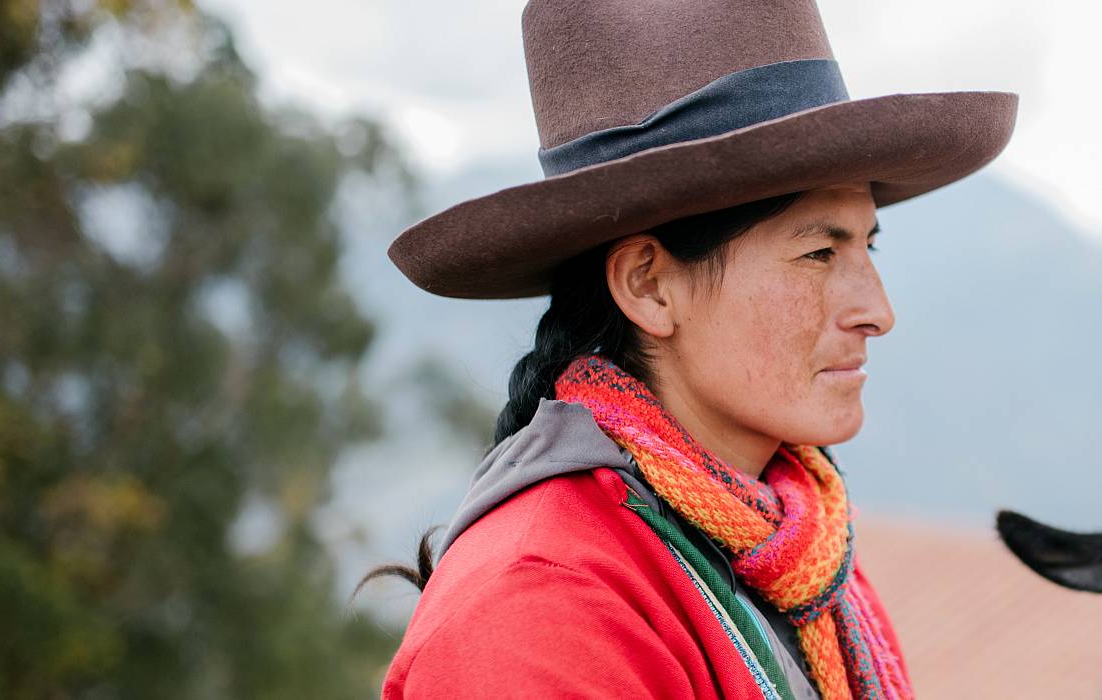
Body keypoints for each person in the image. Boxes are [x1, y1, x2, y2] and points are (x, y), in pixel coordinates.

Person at [364, 1, 1018, 697]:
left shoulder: (805, 558)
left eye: (867, 244)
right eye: (820, 252)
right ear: (649, 286)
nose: (877, 313)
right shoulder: (537, 613)